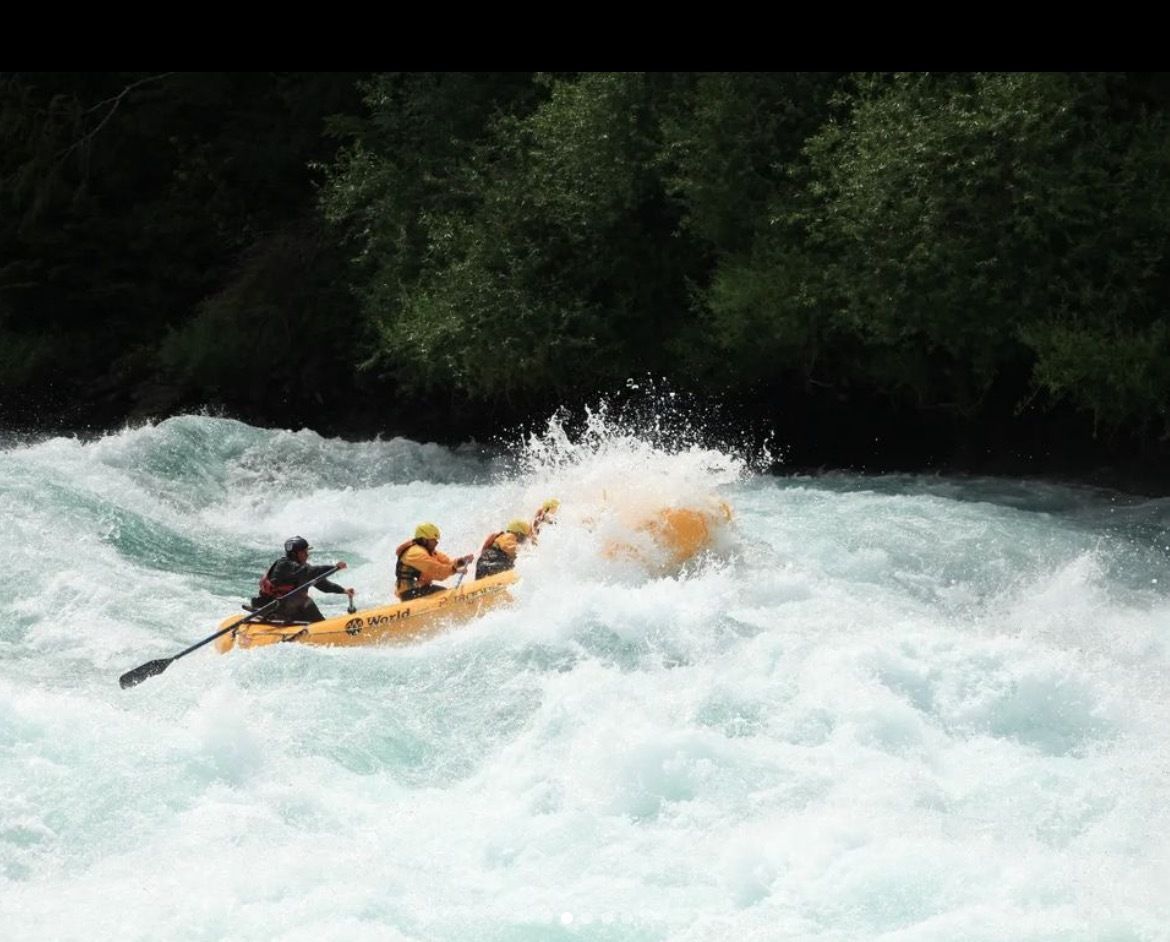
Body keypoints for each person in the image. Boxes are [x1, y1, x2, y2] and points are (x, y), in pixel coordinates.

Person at [250, 536, 354, 623]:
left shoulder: (302, 569)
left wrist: (343, 590)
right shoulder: (284, 565)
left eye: (307, 551)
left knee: (303, 601)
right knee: (306, 602)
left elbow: (323, 585)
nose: (307, 555)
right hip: (272, 608)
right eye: (304, 552)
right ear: (294, 554)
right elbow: (310, 572)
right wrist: (334, 568)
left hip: (287, 609)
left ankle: (320, 626)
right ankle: (320, 627)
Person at [395, 523, 473, 601]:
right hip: (409, 593)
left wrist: (462, 561)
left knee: (442, 591)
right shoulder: (415, 553)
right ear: (424, 540)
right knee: (443, 594)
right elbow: (437, 571)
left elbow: (447, 563)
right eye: (433, 540)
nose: (436, 542)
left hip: (421, 589)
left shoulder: (429, 552)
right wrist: (454, 570)